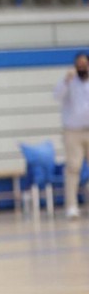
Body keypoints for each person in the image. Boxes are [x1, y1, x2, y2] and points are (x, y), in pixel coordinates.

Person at [53, 51, 89, 219]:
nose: (82, 67)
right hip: (73, 132)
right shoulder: (69, 82)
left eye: (84, 64)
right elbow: (56, 96)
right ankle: (71, 206)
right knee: (73, 169)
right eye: (79, 64)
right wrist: (65, 81)